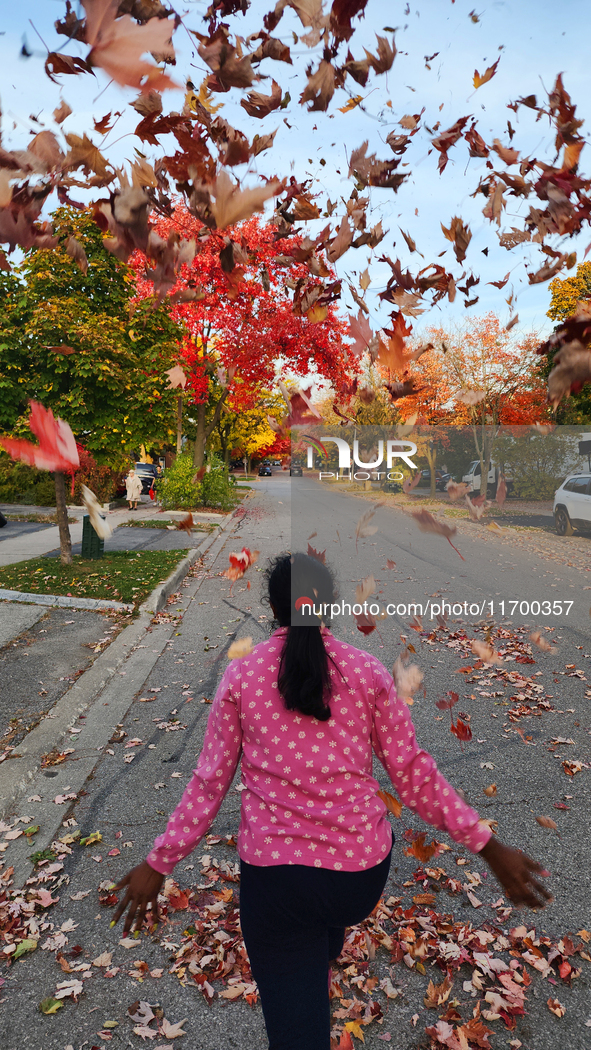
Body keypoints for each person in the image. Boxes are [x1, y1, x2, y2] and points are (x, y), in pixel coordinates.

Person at [111, 552, 551, 1050]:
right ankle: (311, 966)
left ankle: (301, 986)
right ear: (328, 607)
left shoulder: (241, 677)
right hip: (358, 877)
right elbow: (411, 774)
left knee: (297, 1014)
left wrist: (160, 859)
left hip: (276, 881)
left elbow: (209, 783)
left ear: (274, 610)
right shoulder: (366, 672)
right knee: (320, 926)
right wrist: (489, 846)